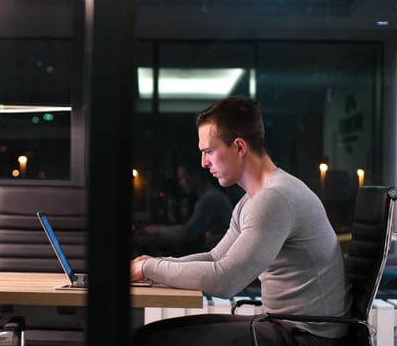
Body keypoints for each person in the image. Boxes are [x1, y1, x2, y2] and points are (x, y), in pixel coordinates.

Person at [131, 96, 351, 346]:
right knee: (148, 335)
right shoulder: (252, 200)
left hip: (307, 337)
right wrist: (153, 264)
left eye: (209, 151)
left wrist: (147, 269)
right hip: (286, 326)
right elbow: (215, 258)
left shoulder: (275, 199)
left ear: (239, 147)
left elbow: (224, 280)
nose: (204, 163)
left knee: (153, 341)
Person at [135, 163, 232, 256]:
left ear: (195, 176)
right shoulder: (211, 196)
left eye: (182, 178)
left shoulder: (210, 199)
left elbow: (187, 232)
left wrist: (157, 229)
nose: (180, 183)